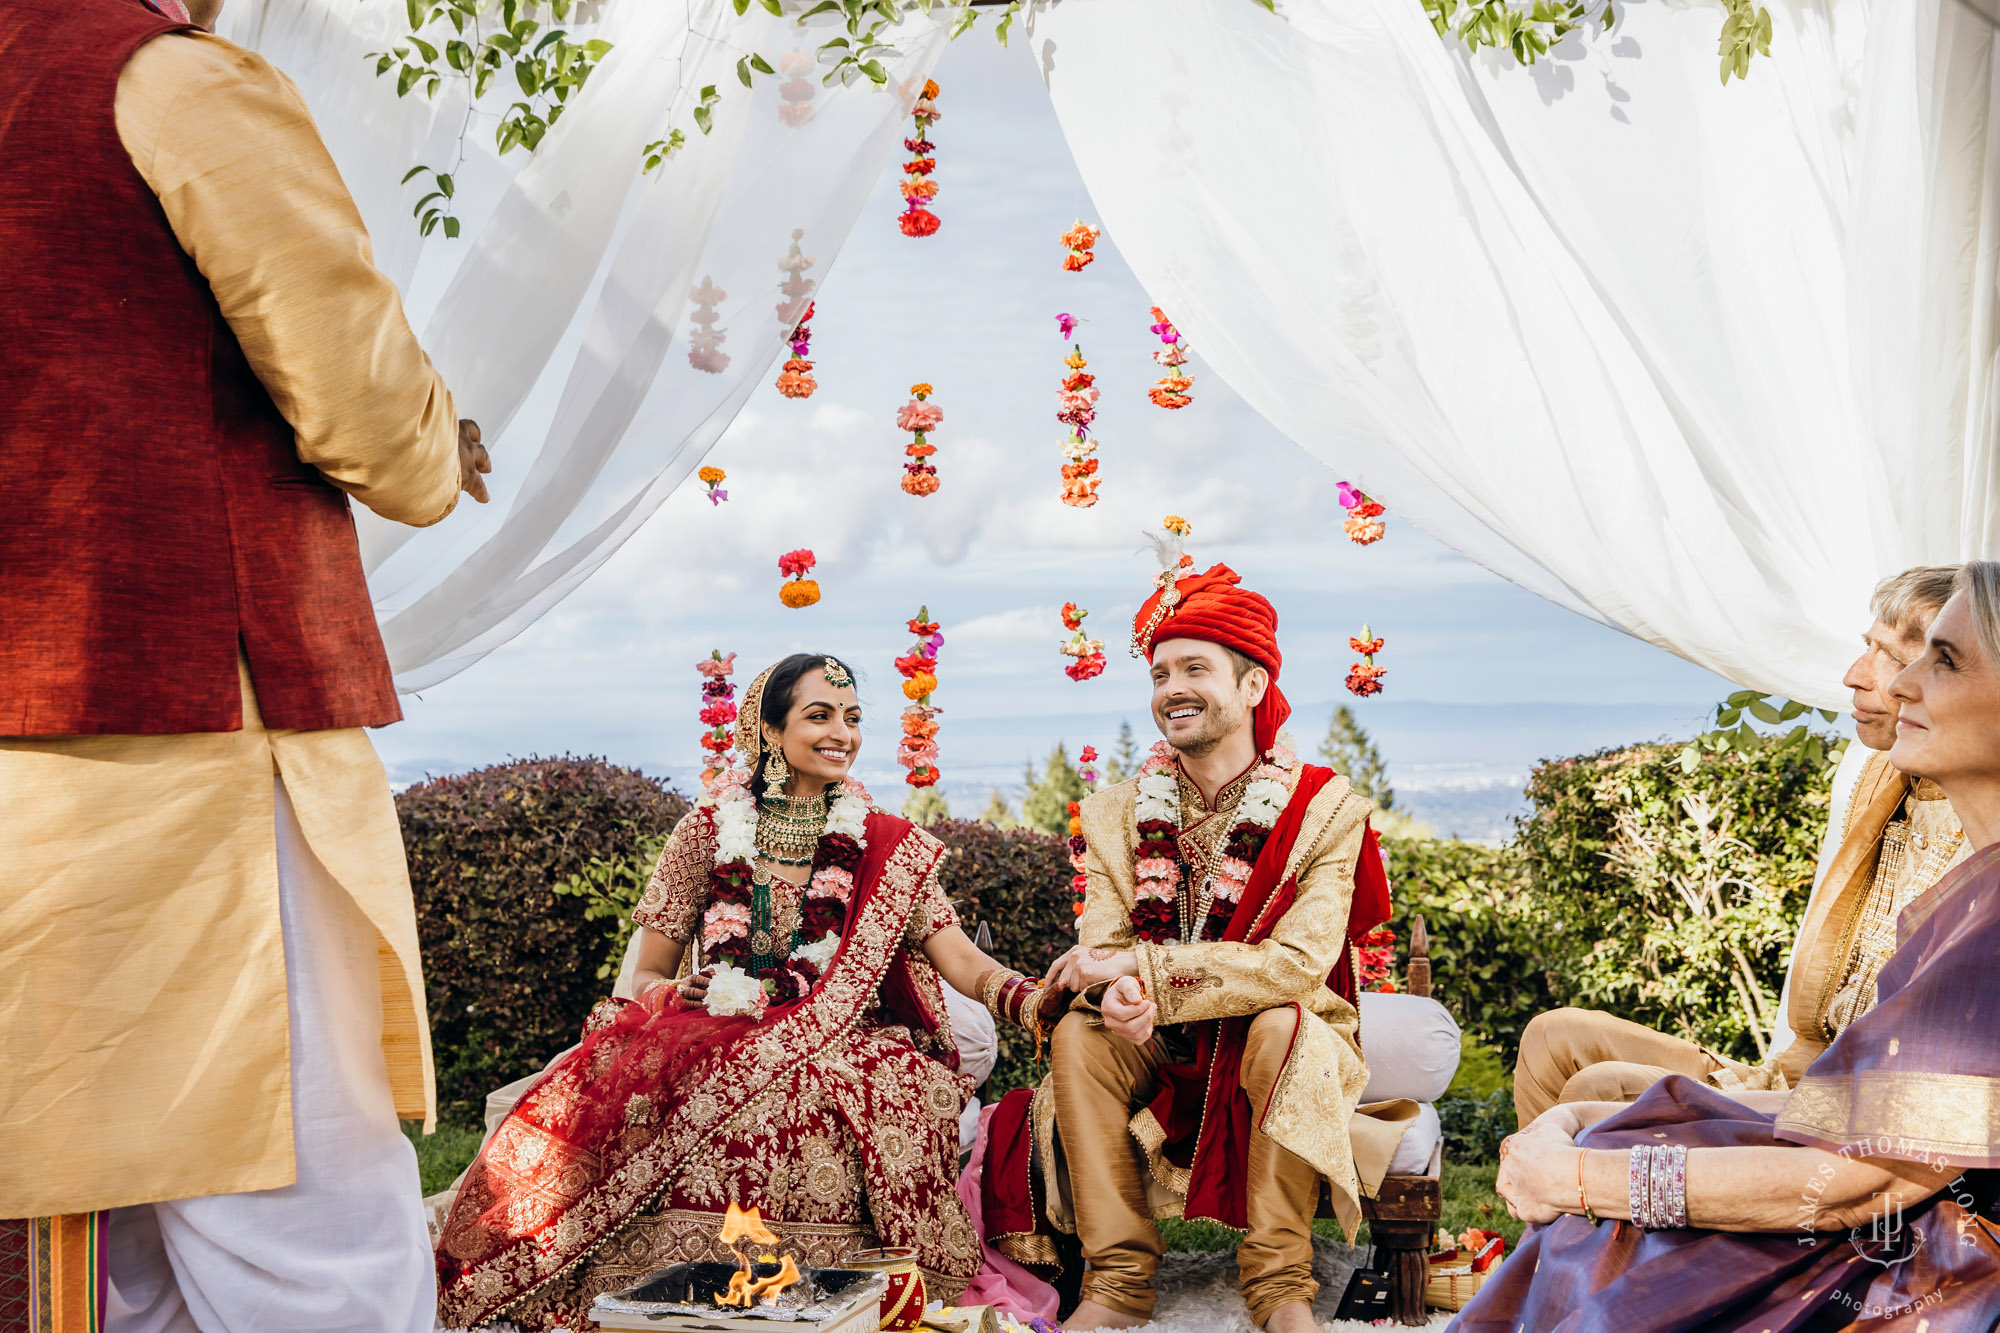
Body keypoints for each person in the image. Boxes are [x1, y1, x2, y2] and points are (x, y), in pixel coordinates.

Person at [0, 0, 491, 1327]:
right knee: (302, 1228)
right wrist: (443, 436)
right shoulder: (167, 85)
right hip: (193, 735)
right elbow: (374, 421)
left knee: (110, 1255)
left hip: (24, 769)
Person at [434, 654, 1064, 1332]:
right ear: (768, 731)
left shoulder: (888, 843)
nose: (842, 734)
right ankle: (657, 1287)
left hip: (845, 1036)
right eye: (819, 715)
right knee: (664, 1093)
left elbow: (960, 958)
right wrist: (679, 990)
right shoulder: (706, 831)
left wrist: (1031, 1000)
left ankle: (829, 1289)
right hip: (709, 1027)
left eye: (852, 718)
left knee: (809, 1093)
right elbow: (646, 974)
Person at [1457, 564, 2000, 1331]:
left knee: (1606, 1228)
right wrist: (1596, 1127)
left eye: (1940, 659)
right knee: (1607, 1108)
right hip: (1875, 1166)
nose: (1894, 683)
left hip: (1939, 1263)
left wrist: (1582, 1178)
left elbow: (1859, 1180)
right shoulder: (1958, 874)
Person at [976, 527, 1400, 1333]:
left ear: (1250, 685)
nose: (1171, 686)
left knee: (1282, 1022)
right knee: (1081, 1036)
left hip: (1278, 1030)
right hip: (1162, 1043)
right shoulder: (1113, 814)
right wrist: (1126, 987)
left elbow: (1297, 963)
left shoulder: (1324, 811)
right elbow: (1105, 942)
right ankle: (1119, 1278)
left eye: (1194, 668)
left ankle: (1281, 1288)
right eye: (1160, 671)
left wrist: (1148, 977)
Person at [1513, 565, 1968, 1123]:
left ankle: (1573, 1198)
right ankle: (1550, 1203)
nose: (1856, 677)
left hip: (1853, 1110)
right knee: (1553, 1038)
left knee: (1602, 1086)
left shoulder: (1977, 814)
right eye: (1867, 650)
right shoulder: (1880, 777)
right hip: (1800, 1072)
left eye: (1895, 657)